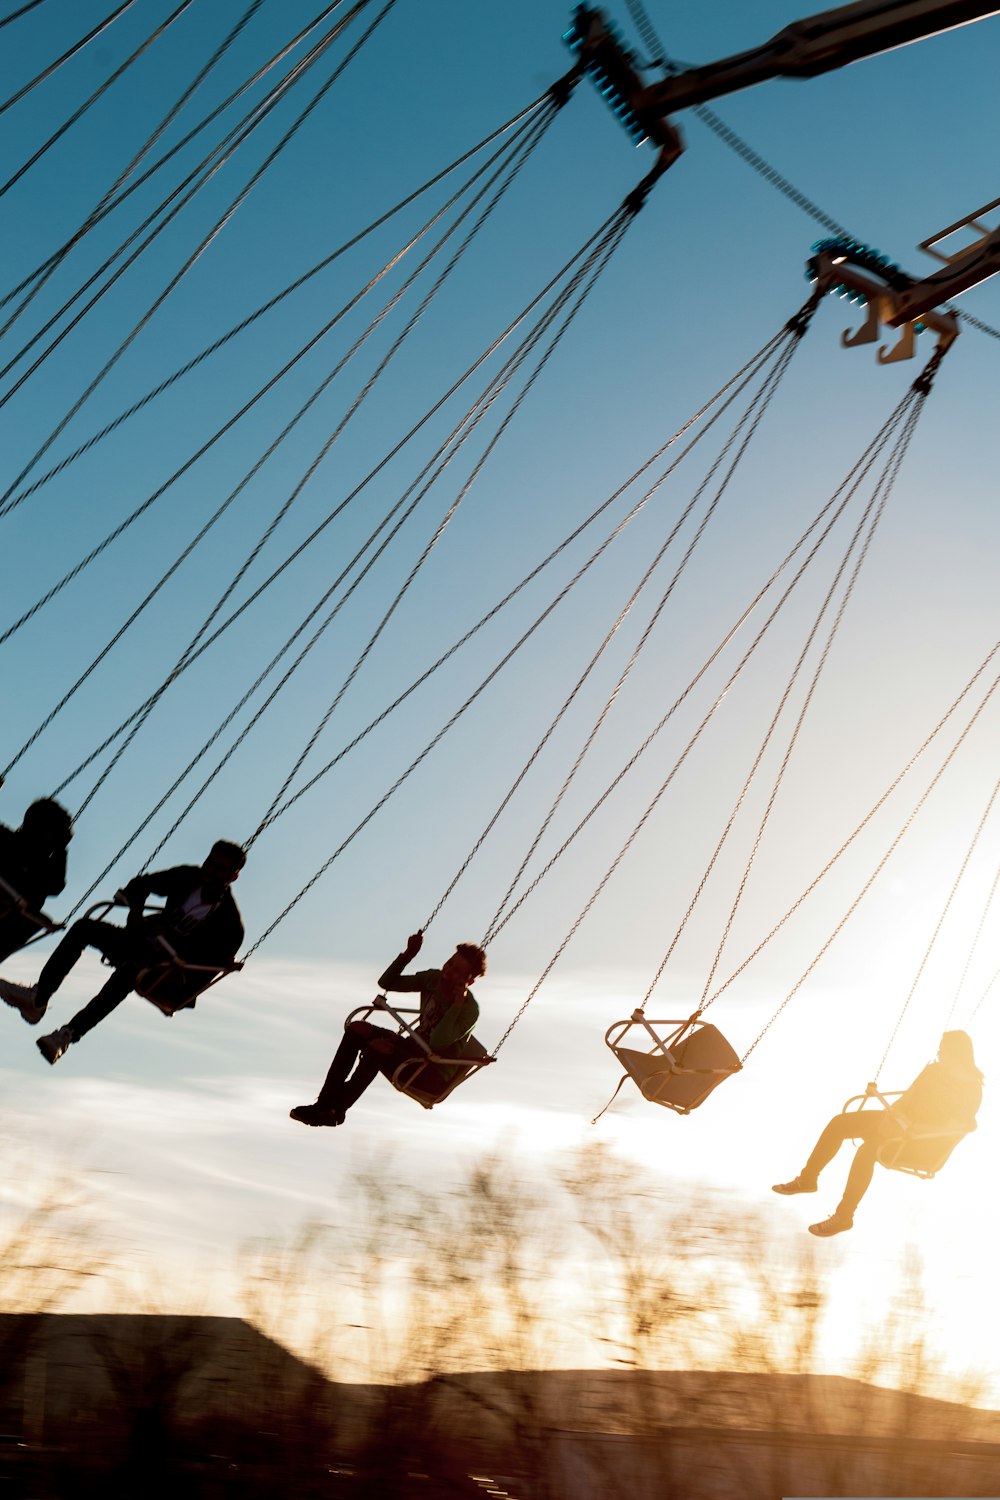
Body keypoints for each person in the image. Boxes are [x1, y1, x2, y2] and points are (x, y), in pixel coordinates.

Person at [0, 840, 246, 1066]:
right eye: (210, 863)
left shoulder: (229, 923)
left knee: (130, 972)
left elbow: (205, 967)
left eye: (220, 869)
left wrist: (170, 943)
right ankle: (38, 998)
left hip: (167, 975)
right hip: (141, 944)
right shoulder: (188, 877)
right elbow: (142, 884)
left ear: (233, 876)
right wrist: (136, 914)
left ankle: (67, 1035)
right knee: (85, 928)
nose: (210, 871)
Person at [772, 1031, 983, 1236]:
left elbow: (952, 1128)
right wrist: (896, 1114)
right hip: (898, 1123)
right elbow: (909, 1097)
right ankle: (808, 1179)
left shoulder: (971, 1089)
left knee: (867, 1151)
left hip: (920, 1143)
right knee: (839, 1124)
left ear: (958, 1054)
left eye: (943, 1051)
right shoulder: (934, 1070)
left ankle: (844, 1216)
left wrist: (913, 1128)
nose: (940, 1055)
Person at [290, 930, 486, 1127]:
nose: (448, 971)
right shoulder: (432, 979)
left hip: (431, 1072)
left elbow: (438, 1042)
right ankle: (323, 1105)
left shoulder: (469, 1010)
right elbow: (387, 983)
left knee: (379, 1047)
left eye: (456, 972)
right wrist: (408, 955)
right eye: (449, 963)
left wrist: (456, 1004)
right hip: (412, 1050)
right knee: (358, 1028)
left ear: (468, 981)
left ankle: (336, 1111)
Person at [0, 798, 73, 962]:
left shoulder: (6, 839)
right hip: (9, 924)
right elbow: (55, 887)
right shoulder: (39, 866)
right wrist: (61, 851)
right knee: (31, 917)